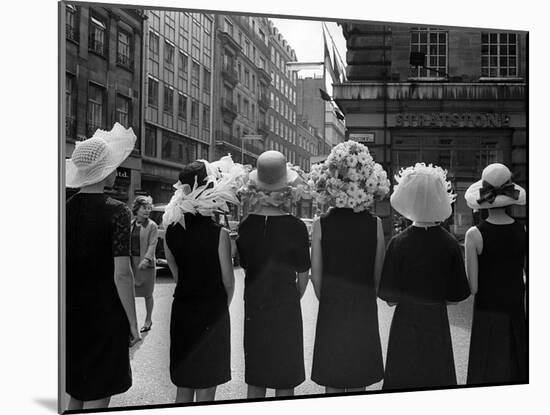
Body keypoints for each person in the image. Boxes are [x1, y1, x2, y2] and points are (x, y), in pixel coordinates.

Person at [65, 123, 141, 410]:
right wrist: (133, 323)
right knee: (99, 393)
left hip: (70, 311)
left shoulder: (64, 208)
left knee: (78, 389)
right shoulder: (117, 211)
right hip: (105, 313)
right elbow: (122, 273)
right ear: (106, 171)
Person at [378, 163, 470, 390]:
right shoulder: (449, 243)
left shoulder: (398, 243)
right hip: (436, 320)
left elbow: (389, 297)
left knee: (402, 381)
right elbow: (456, 297)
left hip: (405, 321)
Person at [308, 140, 390, 393]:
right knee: (358, 376)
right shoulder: (374, 224)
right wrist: (366, 295)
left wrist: (330, 297)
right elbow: (379, 273)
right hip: (363, 302)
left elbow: (316, 275)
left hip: (332, 302)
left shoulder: (321, 224)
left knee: (332, 377)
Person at [162, 156, 244, 403]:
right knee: (207, 386)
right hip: (212, 313)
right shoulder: (218, 234)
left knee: (184, 383)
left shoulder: (170, 230)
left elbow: (176, 272)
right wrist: (219, 307)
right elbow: (228, 282)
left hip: (183, 311)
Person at [237, 151, 311, 399]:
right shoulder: (297, 227)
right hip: (286, 307)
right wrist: (291, 297)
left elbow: (247, 266)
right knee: (285, 376)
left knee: (256, 376)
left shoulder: (246, 227)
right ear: (287, 187)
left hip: (255, 306)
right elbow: (303, 275)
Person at [463, 163, 527, 385]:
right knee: (517, 364)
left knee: (486, 369)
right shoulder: (524, 231)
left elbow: (473, 287)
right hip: (516, 307)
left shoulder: (474, 235)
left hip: (488, 310)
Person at [130, 195, 159, 333]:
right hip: (132, 263)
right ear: (137, 208)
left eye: (149, 208)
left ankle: (148, 320)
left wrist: (147, 259)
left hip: (146, 265)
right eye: (144, 208)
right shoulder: (130, 224)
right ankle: (132, 322)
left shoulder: (152, 225)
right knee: (130, 294)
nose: (147, 211)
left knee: (148, 294)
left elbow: (153, 244)